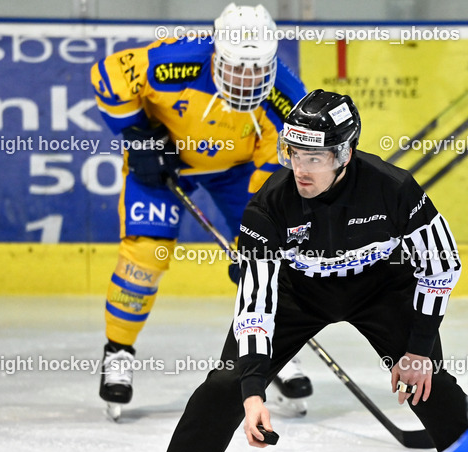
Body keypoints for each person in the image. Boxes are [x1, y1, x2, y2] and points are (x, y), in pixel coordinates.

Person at [119, 90, 468, 452]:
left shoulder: (394, 188)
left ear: (343, 154)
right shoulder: (269, 206)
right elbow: (255, 306)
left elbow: (441, 264)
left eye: (314, 157)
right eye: (293, 153)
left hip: (382, 288)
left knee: (433, 392)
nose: (300, 168)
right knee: (218, 391)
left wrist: (419, 348)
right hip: (296, 294)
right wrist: (251, 389)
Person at [90, 3, 311, 419]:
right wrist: (140, 136)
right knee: (145, 257)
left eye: (258, 69)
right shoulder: (175, 62)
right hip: (163, 162)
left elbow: (275, 178)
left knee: (271, 261)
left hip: (238, 172)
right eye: (236, 67)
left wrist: (256, 241)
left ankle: (274, 354)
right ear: (215, 53)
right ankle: (117, 352)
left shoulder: (287, 97)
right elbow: (108, 75)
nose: (248, 80)